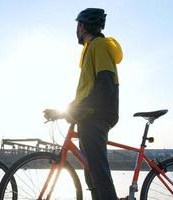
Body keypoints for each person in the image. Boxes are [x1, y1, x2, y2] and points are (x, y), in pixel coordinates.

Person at [44, 8, 124, 200]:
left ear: (82, 26)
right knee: (92, 178)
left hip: (96, 116)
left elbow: (105, 85)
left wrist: (76, 109)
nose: (76, 30)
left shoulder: (99, 45)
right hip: (89, 115)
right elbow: (87, 92)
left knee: (99, 175)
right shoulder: (90, 49)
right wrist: (65, 111)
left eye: (77, 25)